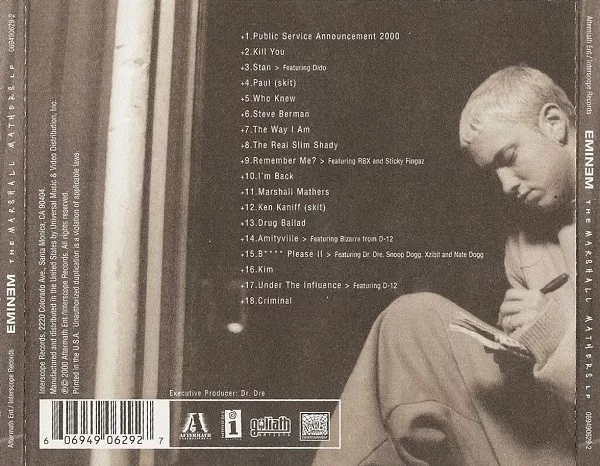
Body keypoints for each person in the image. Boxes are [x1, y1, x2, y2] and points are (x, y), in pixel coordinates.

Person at [313, 66, 576, 466]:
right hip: (555, 423)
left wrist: (554, 333)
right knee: (411, 320)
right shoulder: (525, 236)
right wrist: (518, 348)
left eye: (509, 158)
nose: (506, 185)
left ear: (554, 123)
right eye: (494, 172)